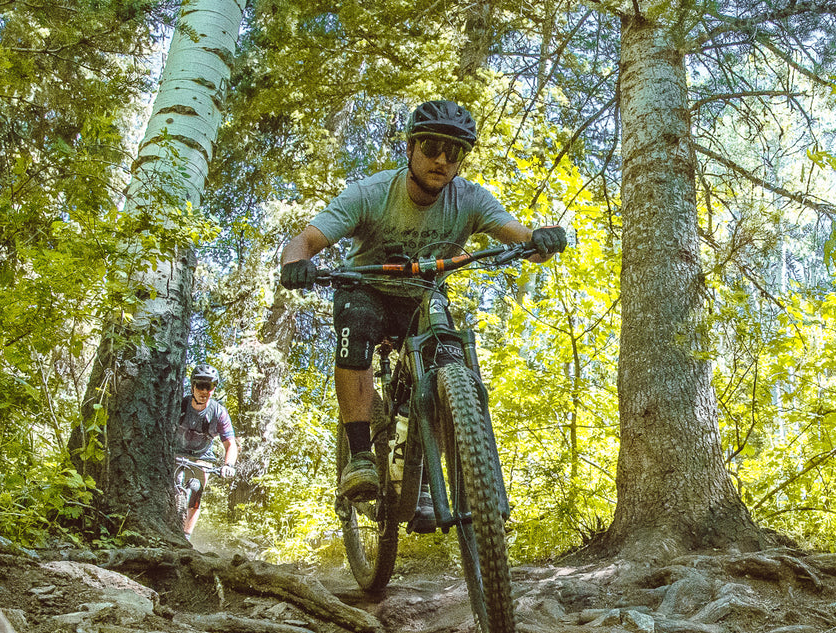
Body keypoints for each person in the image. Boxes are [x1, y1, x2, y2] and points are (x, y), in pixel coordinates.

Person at [277, 99, 567, 517]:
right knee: (355, 321)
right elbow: (304, 241)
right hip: (368, 289)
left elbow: (518, 236)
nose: (443, 160)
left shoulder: (470, 199)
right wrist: (296, 264)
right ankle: (360, 456)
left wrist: (540, 240)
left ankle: (429, 478)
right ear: (410, 148)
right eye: (432, 147)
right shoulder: (371, 193)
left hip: (424, 296)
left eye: (455, 152)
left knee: (450, 359)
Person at [177, 365, 238, 537]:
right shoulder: (180, 404)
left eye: (209, 386)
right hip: (176, 452)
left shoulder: (219, 413)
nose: (204, 391)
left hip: (201, 456)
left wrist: (229, 465)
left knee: (196, 489)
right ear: (193, 386)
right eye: (200, 386)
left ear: (214, 388)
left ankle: (186, 536)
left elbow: (230, 444)